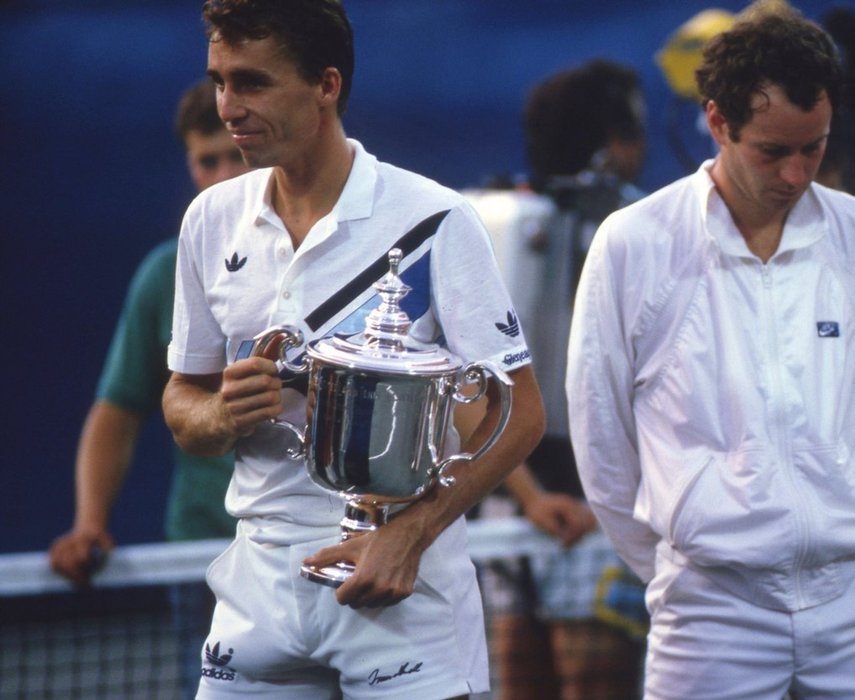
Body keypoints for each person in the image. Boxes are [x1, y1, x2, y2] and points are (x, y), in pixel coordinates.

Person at [161, 1, 544, 698]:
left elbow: (519, 415)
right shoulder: (209, 220)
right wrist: (220, 415)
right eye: (219, 81)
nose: (228, 107)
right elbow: (183, 397)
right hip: (258, 585)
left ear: (326, 85)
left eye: (251, 83)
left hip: (404, 583)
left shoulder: (436, 219)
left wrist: (410, 533)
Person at [566, 10, 855, 699]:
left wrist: (838, 499)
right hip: (709, 611)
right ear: (717, 121)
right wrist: (688, 564)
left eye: (813, 148)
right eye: (772, 151)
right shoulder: (633, 242)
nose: (795, 173)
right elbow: (601, 439)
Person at [48, 78, 248, 699]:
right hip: (203, 558)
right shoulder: (165, 272)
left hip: (307, 549)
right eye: (204, 159)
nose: (218, 174)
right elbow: (118, 411)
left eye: (232, 155)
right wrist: (89, 523)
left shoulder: (316, 257)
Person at [465, 59, 647, 700]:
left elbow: (475, 393)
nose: (640, 151)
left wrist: (544, 499)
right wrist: (544, 500)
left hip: (551, 504)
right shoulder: (637, 231)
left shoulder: (493, 220)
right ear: (611, 142)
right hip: (549, 507)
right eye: (632, 133)